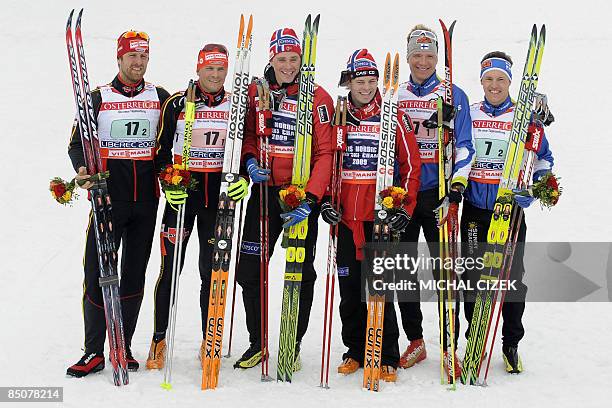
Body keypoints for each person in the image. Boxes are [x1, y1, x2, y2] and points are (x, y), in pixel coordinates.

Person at [66, 31, 170, 377]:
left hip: (145, 203)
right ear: (120, 59)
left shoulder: (160, 97)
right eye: (132, 57)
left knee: (133, 274)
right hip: (108, 199)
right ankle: (93, 350)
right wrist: (83, 169)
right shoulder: (98, 97)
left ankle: (121, 347)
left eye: (143, 58)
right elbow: (77, 144)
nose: (138, 64)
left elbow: (175, 137)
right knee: (96, 274)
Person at [233, 27, 334, 369]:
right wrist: (249, 162)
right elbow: (246, 134)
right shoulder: (256, 93)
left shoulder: (318, 98)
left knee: (300, 271)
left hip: (297, 197)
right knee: (250, 267)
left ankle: (293, 341)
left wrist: (311, 198)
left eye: (294, 59)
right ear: (271, 59)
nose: (288, 66)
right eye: (282, 59)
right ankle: (257, 341)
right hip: (263, 194)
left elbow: (325, 154)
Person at [144, 44, 249, 369]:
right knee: (169, 270)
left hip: (218, 200)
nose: (215, 75)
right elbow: (159, 151)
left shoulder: (236, 105)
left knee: (211, 272)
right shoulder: (177, 103)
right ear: (199, 69)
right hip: (183, 197)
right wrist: (167, 181)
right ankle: (159, 338)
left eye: (220, 70)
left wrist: (244, 175)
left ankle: (210, 338)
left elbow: (247, 148)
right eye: (209, 69)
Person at [321, 49, 421, 383]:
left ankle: (387, 354)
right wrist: (326, 201)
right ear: (349, 81)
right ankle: (355, 349)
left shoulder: (394, 115)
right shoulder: (338, 115)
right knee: (349, 289)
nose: (366, 87)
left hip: (379, 217)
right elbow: (328, 161)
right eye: (360, 81)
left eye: (371, 81)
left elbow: (411, 167)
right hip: (346, 218)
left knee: (379, 288)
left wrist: (403, 209)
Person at [462, 51, 554, 373]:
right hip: (475, 211)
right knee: (473, 278)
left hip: (509, 210)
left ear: (510, 82)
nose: (494, 85)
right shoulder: (470, 114)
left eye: (501, 79)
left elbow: (544, 160)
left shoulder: (524, 118)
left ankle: (511, 342)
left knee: (512, 280)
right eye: (489, 79)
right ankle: (475, 339)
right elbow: (456, 151)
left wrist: (533, 188)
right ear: (481, 80)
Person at [395, 24, 475, 378]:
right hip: (403, 195)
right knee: (403, 270)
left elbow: (465, 146)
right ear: (408, 56)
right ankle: (415, 340)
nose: (423, 61)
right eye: (417, 55)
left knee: (446, 274)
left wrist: (456, 187)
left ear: (437, 58)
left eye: (429, 56)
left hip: (440, 194)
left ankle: (449, 346)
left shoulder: (453, 94)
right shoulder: (394, 94)